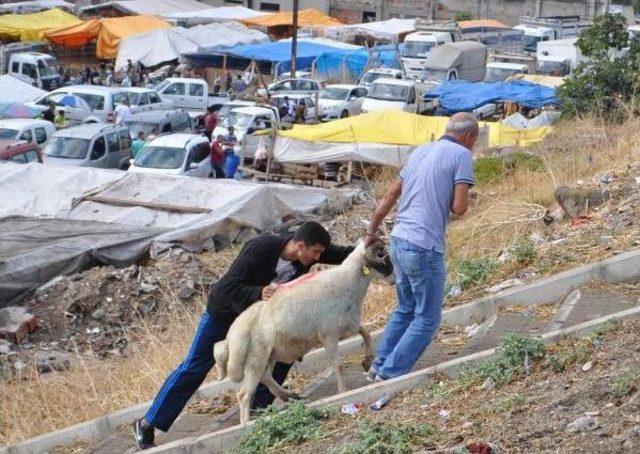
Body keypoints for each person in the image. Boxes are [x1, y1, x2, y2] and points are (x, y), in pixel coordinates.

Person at [133, 222, 353, 449]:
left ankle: (259, 408)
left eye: (320, 254)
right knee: (195, 367)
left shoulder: (305, 251)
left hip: (257, 321)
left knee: (287, 350)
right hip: (224, 313)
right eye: (315, 253)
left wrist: (367, 248)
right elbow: (229, 287)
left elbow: (342, 254)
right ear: (299, 245)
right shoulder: (259, 249)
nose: (317, 259)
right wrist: (258, 292)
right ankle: (149, 423)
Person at [364, 112, 477, 382]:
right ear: (470, 136)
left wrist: (371, 230)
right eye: (475, 140)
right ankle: (389, 375)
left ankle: (378, 366)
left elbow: (391, 194)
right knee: (427, 318)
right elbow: (459, 208)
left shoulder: (420, 152)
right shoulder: (462, 155)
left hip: (399, 240)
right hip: (424, 246)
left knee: (405, 308)